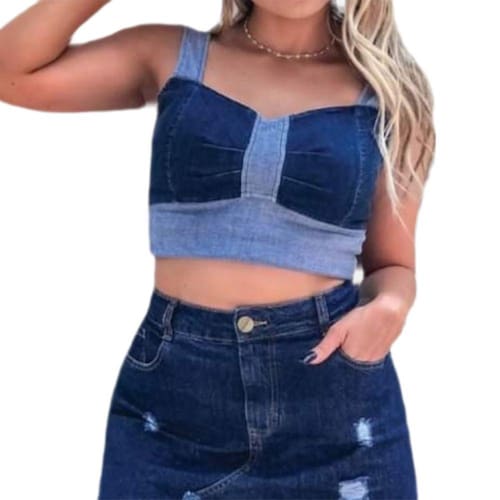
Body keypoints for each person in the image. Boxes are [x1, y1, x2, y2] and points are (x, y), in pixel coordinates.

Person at [0, 0, 436, 498]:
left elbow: (392, 264)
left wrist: (391, 305)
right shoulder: (169, 56)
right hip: (172, 410)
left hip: (332, 401)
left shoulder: (390, 93)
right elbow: (12, 70)